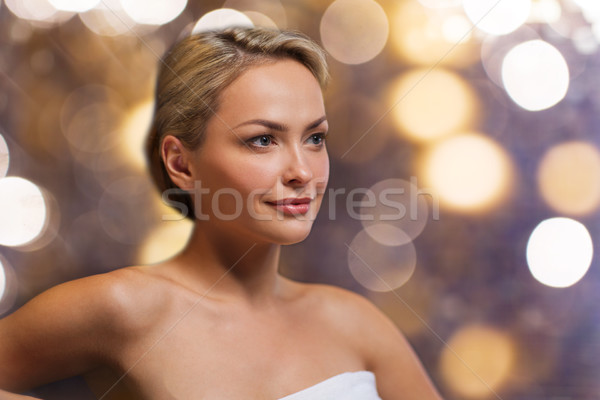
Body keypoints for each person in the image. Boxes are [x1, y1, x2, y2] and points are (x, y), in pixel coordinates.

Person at [0, 27, 443, 399]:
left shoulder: (355, 325)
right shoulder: (125, 308)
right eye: (262, 140)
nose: (303, 172)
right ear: (181, 163)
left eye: (315, 138)